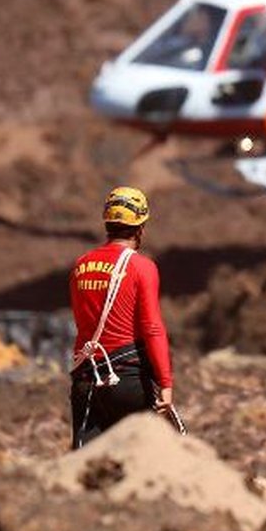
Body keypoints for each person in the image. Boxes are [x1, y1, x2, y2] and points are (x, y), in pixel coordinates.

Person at [68, 186, 174, 448]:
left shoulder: (81, 265)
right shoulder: (142, 267)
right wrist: (165, 382)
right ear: (140, 228)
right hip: (128, 380)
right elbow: (152, 327)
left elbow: (82, 322)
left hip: (86, 379)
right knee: (149, 461)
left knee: (87, 466)